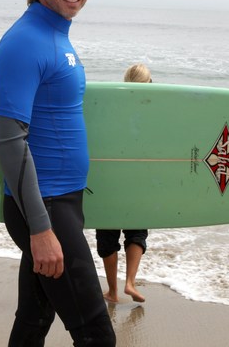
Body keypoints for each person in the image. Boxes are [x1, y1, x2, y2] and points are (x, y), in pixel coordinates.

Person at [0, 0, 116, 346]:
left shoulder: (55, 35)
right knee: (96, 333)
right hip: (44, 208)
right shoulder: (25, 42)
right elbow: (9, 141)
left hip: (62, 202)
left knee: (33, 320)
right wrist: (41, 230)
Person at [96, 64, 152, 304]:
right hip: (140, 179)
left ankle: (113, 291)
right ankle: (130, 282)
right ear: (150, 83)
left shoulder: (111, 106)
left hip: (110, 178)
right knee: (136, 230)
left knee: (107, 232)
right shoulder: (156, 109)